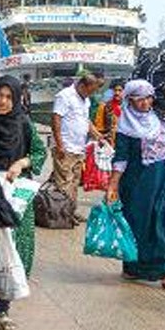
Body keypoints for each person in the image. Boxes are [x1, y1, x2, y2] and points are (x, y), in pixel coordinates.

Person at [0, 76, 46, 330]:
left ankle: (3, 308)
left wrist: (20, 164)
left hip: (16, 195)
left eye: (8, 97)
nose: (3, 102)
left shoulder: (24, 124)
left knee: (18, 249)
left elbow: (39, 152)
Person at [106, 80, 165, 288]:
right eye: (139, 99)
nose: (145, 103)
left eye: (149, 97)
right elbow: (121, 157)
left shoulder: (161, 119)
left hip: (163, 176)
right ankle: (134, 267)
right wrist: (113, 185)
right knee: (140, 225)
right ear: (130, 100)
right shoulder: (125, 126)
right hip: (136, 182)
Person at [51, 73, 103, 224]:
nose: (90, 94)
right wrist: (60, 145)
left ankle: (71, 211)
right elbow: (56, 120)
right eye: (89, 91)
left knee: (74, 183)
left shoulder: (85, 99)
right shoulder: (64, 96)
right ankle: (63, 214)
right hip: (65, 148)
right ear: (82, 85)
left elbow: (86, 121)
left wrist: (98, 136)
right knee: (64, 183)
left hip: (79, 148)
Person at [96, 79, 124, 145]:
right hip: (110, 142)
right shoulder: (105, 107)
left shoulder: (129, 107)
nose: (117, 93)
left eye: (120, 90)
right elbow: (100, 128)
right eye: (115, 90)